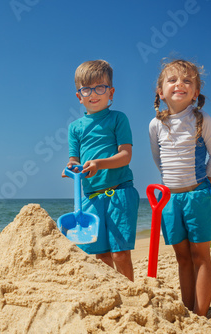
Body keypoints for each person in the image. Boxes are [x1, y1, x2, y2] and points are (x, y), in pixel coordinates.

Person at [149, 59, 211, 316]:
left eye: (187, 81)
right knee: (182, 257)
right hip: (170, 199)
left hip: (198, 195)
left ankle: (201, 313)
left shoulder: (202, 120)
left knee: (200, 255)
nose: (179, 84)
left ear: (195, 92)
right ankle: (188, 310)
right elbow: (158, 159)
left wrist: (209, 179)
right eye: (172, 80)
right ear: (160, 91)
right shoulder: (155, 125)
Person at [63, 59, 139, 281]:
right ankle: (113, 295)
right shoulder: (75, 128)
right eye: (86, 89)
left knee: (120, 254)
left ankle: (131, 292)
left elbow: (125, 155)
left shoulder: (117, 119)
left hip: (120, 192)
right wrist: (70, 168)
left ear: (111, 92)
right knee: (102, 256)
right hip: (90, 197)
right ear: (79, 96)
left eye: (100, 87)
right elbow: (73, 158)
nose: (93, 94)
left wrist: (99, 164)